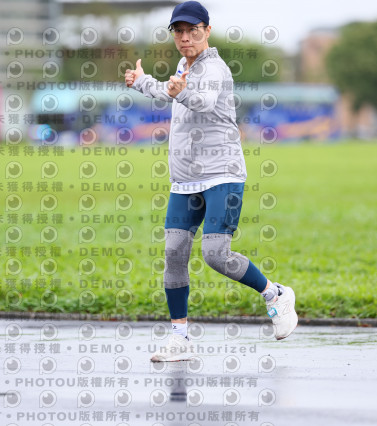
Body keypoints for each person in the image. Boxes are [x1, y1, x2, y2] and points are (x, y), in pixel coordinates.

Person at [125, 1, 298, 362]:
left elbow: (202, 101)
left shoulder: (215, 68)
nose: (185, 37)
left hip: (222, 174)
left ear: (207, 30)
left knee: (216, 254)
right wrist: (142, 82)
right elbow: (170, 90)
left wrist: (180, 92)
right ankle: (179, 337)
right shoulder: (183, 66)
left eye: (192, 30)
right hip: (185, 179)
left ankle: (275, 294)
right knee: (174, 253)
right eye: (179, 31)